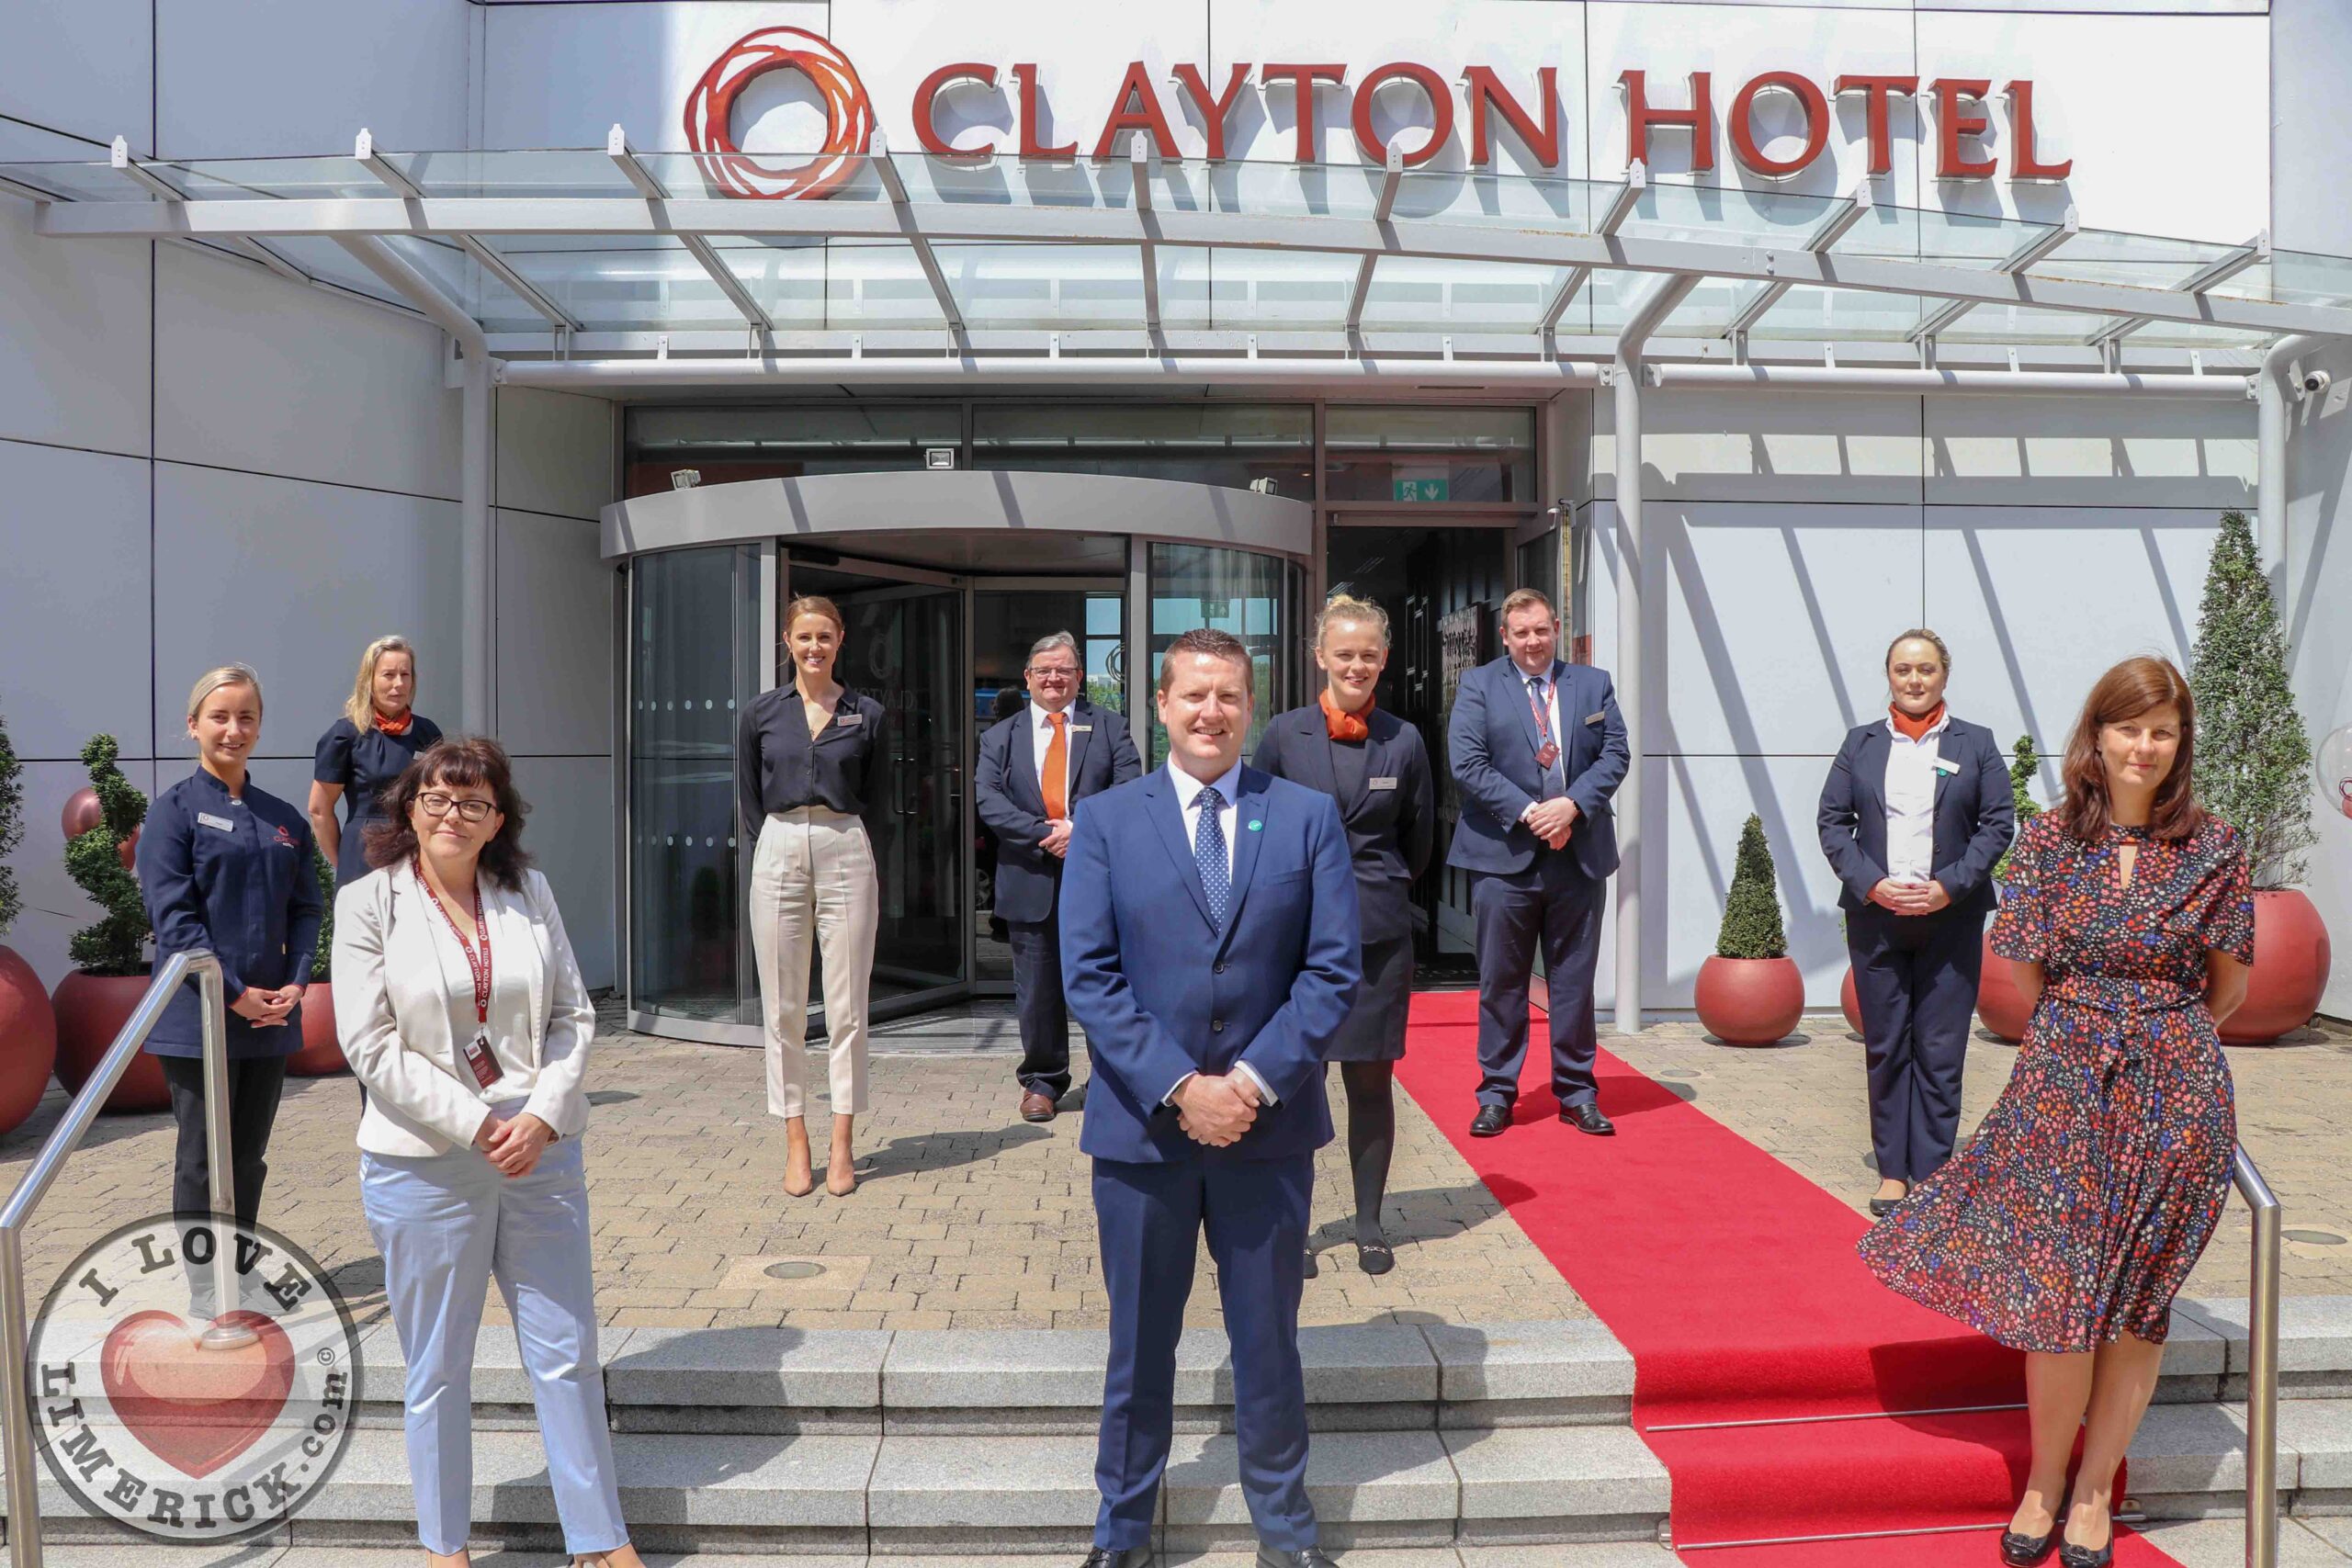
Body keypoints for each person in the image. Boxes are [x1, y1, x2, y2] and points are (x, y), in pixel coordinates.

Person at [1860, 656, 2253, 1568]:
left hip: (2174, 1095)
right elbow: (2026, 975)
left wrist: (2155, 1036)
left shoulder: (2216, 849)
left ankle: (2091, 1492)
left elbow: (2225, 990)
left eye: (2162, 730)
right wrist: (2091, 1029)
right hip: (2065, 1088)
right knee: (2057, 1294)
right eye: (2128, 728)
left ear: (2179, 742)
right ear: (2097, 735)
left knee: (2135, 1308)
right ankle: (2041, 1480)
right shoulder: (2043, 845)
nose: (2144, 747)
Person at [1059, 627, 1360, 1568]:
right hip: (1142, 1137)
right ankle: (1122, 1533)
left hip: (1265, 1134)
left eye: (1229, 695)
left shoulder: (1306, 817)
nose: (1211, 712)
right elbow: (1090, 976)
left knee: (1267, 1342)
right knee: (1138, 1347)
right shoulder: (1107, 822)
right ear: (1160, 704)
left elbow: (1330, 971)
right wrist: (1182, 1086)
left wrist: (1251, 1085)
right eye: (1193, 694)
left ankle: (1286, 1531)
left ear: (1251, 705)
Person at [334, 738, 646, 1568]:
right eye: (438, 797)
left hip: (538, 1152)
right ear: (409, 806)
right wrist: (477, 1124)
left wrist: (542, 1114)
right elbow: (369, 1044)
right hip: (425, 1161)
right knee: (438, 1367)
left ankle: (599, 1537)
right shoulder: (369, 903)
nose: (453, 814)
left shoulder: (527, 891)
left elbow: (574, 1016)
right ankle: (445, 1546)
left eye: (474, 802)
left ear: (498, 820)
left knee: (567, 1352)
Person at [1252, 594, 1433, 1275]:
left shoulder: (1404, 739)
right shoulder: (1281, 735)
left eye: (1368, 654)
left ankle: (1368, 1222)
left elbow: (1419, 842)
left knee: (1369, 1084)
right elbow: (1257, 831)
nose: (1356, 664)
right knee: (1296, 1086)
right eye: (1344, 652)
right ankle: (1293, 1227)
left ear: (1383, 659)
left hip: (1378, 942)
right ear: (1319, 656)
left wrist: (1375, 890)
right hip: (1293, 941)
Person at [137, 664, 322, 1312]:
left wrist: (297, 980)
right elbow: (176, 919)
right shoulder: (173, 814)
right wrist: (235, 989)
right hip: (198, 1016)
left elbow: (306, 907)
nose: (233, 729)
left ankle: (240, 1275)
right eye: (220, 716)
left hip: (269, 1016)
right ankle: (202, 1288)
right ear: (194, 725)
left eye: (246, 717)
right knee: (201, 1157)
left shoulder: (282, 818)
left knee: (249, 1156)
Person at [1816, 629, 2014, 1217]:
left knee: (1940, 1046)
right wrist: (1871, 883)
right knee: (1886, 1044)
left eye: (1925, 669)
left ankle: (1931, 1170)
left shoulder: (1975, 744)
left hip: (1948, 920)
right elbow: (1832, 822)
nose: (1914, 680)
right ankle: (1891, 1173)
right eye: (1903, 669)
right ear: (1889, 676)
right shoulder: (1861, 744)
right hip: (1877, 919)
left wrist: (1948, 887)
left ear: (1944, 676)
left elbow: (1996, 824)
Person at [1445, 589, 1629, 1139]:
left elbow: (1616, 753)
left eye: (1541, 630)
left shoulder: (1592, 685)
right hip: (1504, 860)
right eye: (1520, 633)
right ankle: (1498, 1093)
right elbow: (1468, 764)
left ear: (1556, 628)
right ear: (1505, 636)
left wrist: (1573, 805)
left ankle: (1576, 1092)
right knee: (1502, 983)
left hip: (1578, 857)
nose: (1532, 641)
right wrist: (1533, 812)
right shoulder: (1479, 685)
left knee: (1574, 981)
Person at [737, 594, 887, 1197]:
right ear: (787, 640)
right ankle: (796, 1139)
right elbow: (747, 790)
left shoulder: (865, 712)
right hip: (777, 846)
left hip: (844, 841)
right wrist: (773, 843)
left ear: (840, 638)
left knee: (848, 1008)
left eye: (824, 636)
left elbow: (877, 790)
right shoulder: (761, 712)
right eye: (804, 637)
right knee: (784, 1008)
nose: (814, 647)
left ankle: (843, 1141)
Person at [975, 631, 1141, 1122]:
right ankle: (1042, 1082)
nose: (1053, 678)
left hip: (1097, 878)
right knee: (1037, 989)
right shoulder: (998, 737)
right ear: (1028, 678)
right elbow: (988, 800)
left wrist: (1081, 830)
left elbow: (1128, 788)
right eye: (1044, 670)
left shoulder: (1110, 727)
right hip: (1029, 877)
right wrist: (1045, 833)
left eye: (1064, 670)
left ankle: (1109, 1082)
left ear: (1079, 677)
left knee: (1105, 981)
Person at [311, 635, 444, 886]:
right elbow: (319, 810)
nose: (399, 684)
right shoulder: (345, 735)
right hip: (363, 853)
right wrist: (345, 861)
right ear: (369, 680)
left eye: (405, 675)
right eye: (389, 675)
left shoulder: (428, 733)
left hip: (418, 852)